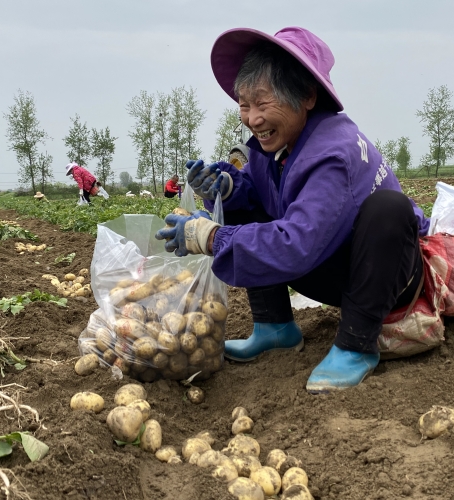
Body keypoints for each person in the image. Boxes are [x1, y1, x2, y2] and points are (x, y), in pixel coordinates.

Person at [155, 27, 429, 393]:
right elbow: (258, 197)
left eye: (263, 103)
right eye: (244, 104)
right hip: (332, 260)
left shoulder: (332, 152)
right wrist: (228, 189)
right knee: (245, 206)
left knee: (388, 209)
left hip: (386, 275)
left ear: (307, 97)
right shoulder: (277, 145)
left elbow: (296, 244)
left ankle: (356, 345)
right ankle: (275, 327)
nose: (252, 118)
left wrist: (209, 236)